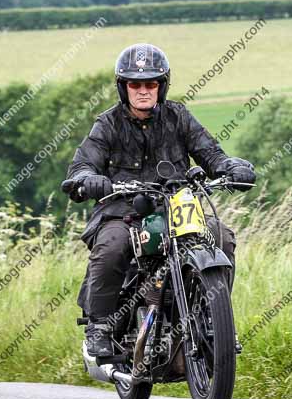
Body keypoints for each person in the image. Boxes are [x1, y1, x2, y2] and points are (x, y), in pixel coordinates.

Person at [64, 43, 256, 357]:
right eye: (135, 84)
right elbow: (83, 164)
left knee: (220, 235)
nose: (143, 90)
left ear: (161, 86)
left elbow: (210, 153)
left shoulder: (178, 116)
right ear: (123, 87)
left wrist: (230, 167)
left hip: (176, 206)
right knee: (112, 246)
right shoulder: (107, 123)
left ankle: (213, 319)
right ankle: (100, 326)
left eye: (151, 83)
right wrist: (88, 178)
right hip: (123, 210)